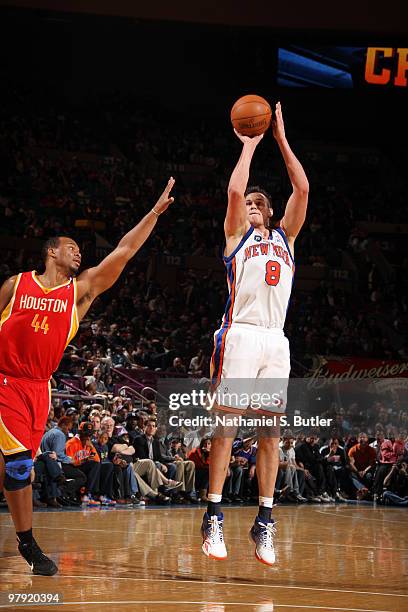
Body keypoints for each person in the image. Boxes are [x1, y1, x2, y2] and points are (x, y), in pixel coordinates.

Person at [0, 177, 175, 575]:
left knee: (13, 471)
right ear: (51, 252)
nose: (79, 253)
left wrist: (154, 213)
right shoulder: (16, 285)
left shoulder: (79, 293)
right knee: (16, 467)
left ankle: (22, 537)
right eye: (72, 247)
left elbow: (125, 251)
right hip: (5, 380)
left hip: (39, 389)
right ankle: (28, 544)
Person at [201, 102, 309, 565]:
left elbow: (302, 187)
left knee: (270, 434)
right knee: (226, 427)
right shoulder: (235, 237)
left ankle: (264, 520)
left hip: (275, 340)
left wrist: (282, 141)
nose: (252, 205)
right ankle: (213, 515)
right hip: (240, 334)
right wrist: (249, 146)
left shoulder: (286, 238)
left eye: (259, 202)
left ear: (271, 210)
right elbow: (233, 189)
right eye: (249, 204)